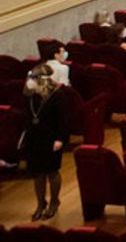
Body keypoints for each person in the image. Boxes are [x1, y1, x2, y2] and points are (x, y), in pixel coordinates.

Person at [24, 65, 67, 220]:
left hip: (52, 138)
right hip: (35, 138)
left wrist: (60, 139)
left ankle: (54, 201)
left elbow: (62, 120)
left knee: (52, 171)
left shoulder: (57, 95)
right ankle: (40, 203)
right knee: (38, 173)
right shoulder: (31, 95)